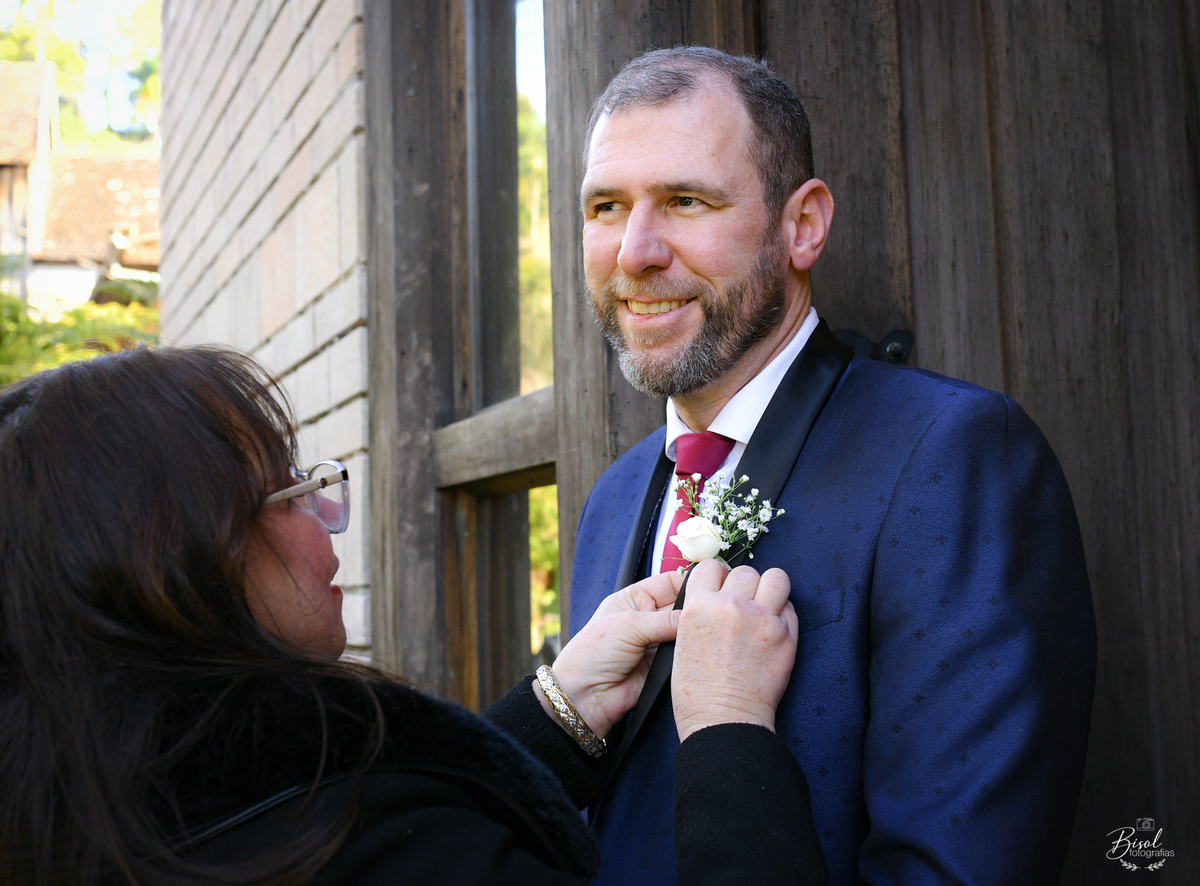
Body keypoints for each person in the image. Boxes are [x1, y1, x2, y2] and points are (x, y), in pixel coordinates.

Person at [0, 345, 827, 885]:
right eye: (294, 493)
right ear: (187, 562)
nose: (329, 525)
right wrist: (729, 729)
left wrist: (559, 710)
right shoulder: (357, 854)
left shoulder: (103, 803)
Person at [568, 46, 1097, 885]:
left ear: (802, 224)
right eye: (605, 206)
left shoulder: (956, 459)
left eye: (685, 200)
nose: (635, 251)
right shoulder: (614, 497)